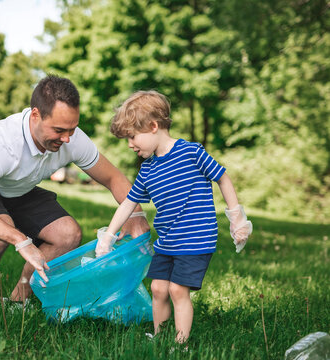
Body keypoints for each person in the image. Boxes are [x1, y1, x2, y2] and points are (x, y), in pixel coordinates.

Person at [0, 75, 150, 329]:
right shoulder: (3, 142)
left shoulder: (71, 138)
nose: (67, 138)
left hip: (15, 186)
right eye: (59, 130)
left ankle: (18, 301)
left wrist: (135, 215)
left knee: (67, 234)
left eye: (71, 129)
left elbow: (114, 178)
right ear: (35, 115)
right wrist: (20, 240)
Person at [95, 90, 252, 343]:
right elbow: (128, 204)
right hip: (168, 241)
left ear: (153, 126)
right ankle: (159, 336)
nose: (130, 144)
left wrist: (236, 217)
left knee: (178, 290)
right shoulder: (148, 169)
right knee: (158, 288)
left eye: (132, 136)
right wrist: (109, 236)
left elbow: (222, 177)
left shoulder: (191, 152)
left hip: (196, 239)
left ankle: (180, 344)